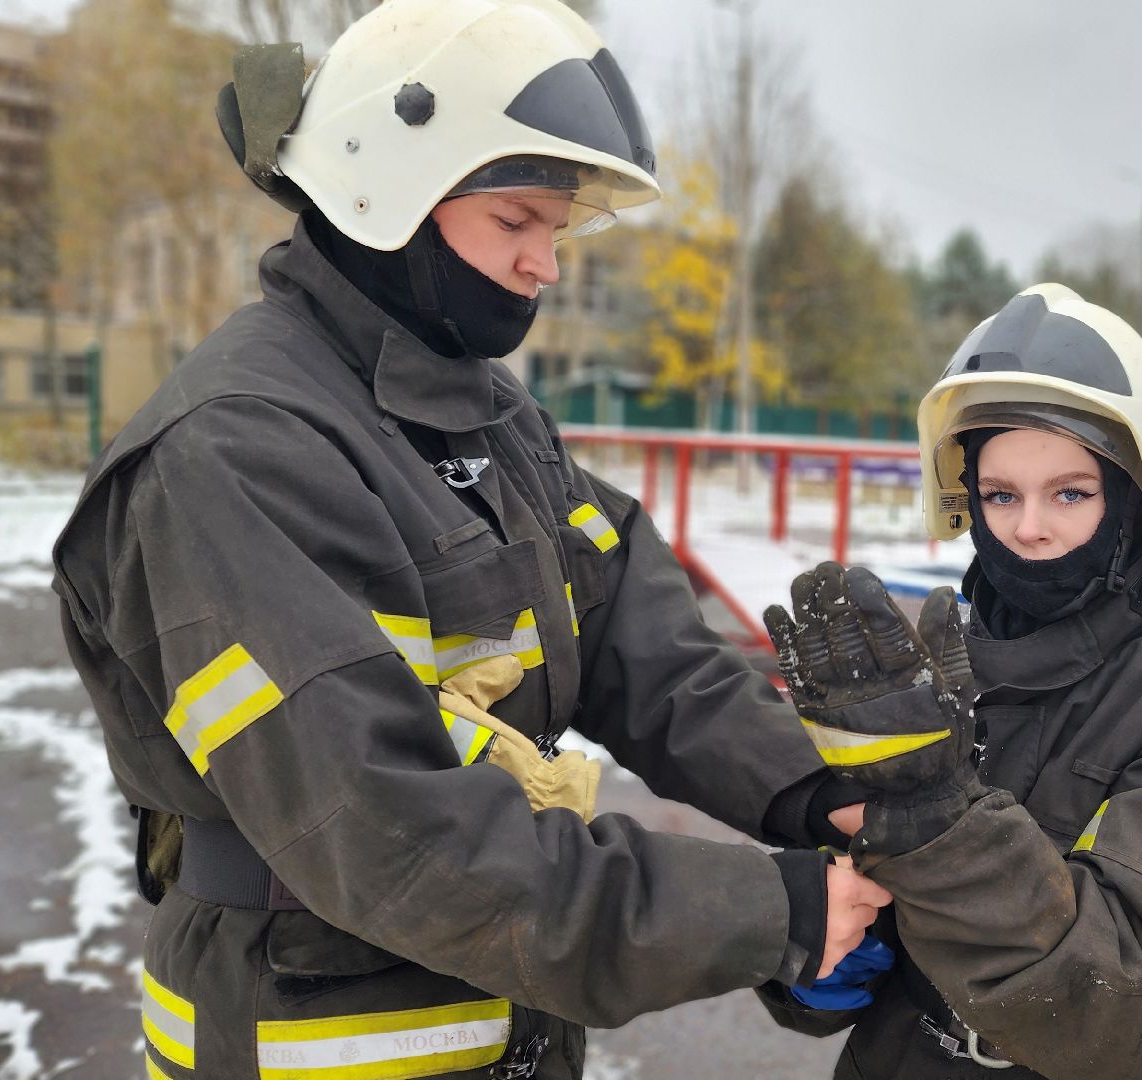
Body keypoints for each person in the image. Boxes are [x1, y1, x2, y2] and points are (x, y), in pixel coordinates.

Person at [49, 2, 885, 1076]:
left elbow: (654, 658)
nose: (546, 265)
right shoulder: (234, 450)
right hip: (307, 1031)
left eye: (559, 230)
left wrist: (820, 791)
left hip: (503, 1028)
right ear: (383, 188)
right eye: (516, 221)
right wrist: (773, 907)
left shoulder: (488, 417)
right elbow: (389, 833)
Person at [759, 283, 1142, 1079]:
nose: (1029, 528)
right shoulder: (933, 665)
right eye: (1000, 494)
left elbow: (1123, 1021)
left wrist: (937, 823)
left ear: (1134, 498)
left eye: (1071, 492)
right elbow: (849, 919)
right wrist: (816, 951)